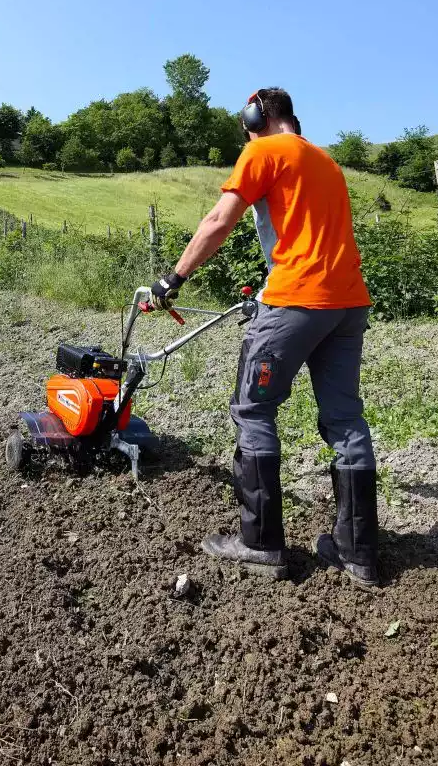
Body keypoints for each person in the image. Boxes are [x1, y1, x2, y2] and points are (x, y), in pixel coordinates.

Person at [150, 88, 379, 588]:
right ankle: (358, 553)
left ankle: (260, 544)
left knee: (253, 410)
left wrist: (173, 279)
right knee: (345, 419)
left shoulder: (262, 150)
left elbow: (218, 220)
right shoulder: (327, 162)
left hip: (295, 301)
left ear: (256, 116)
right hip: (347, 303)